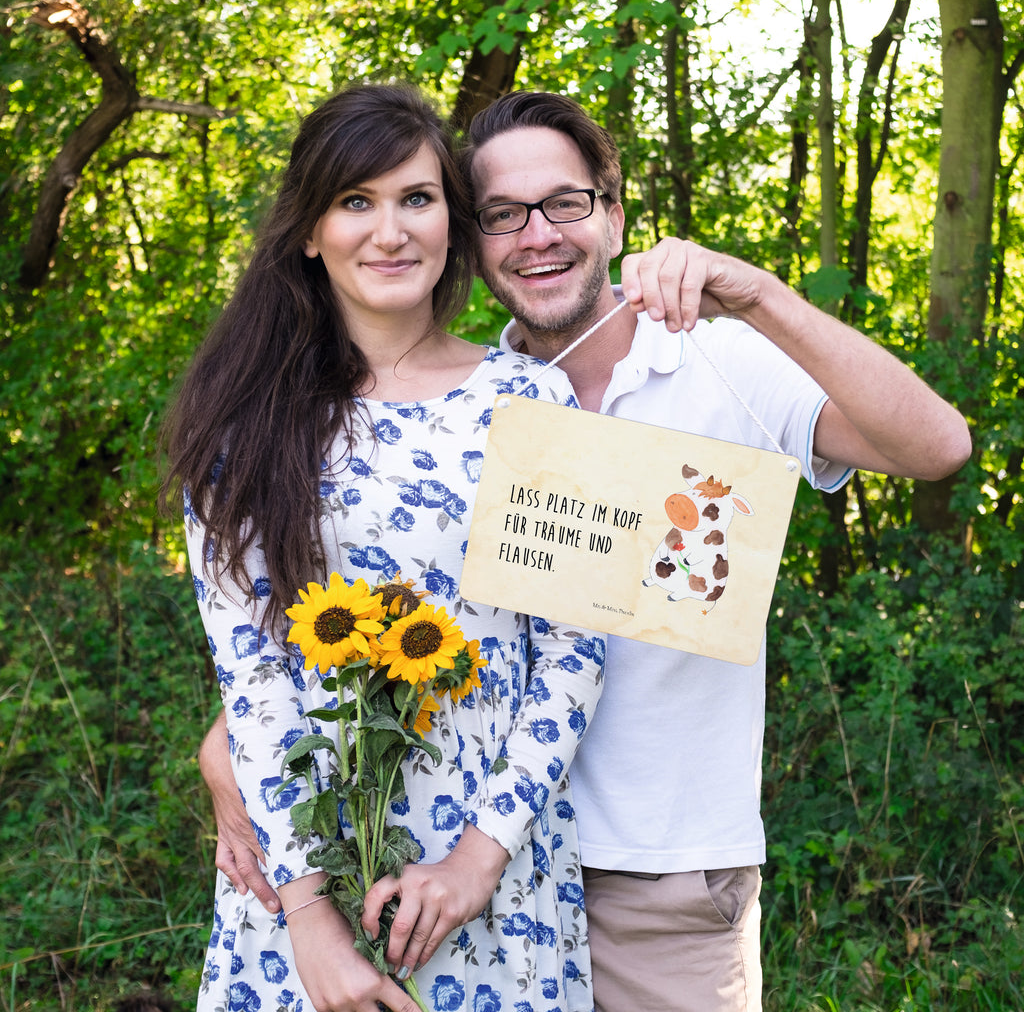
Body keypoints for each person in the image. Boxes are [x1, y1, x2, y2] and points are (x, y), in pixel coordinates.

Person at [202, 90, 972, 1012]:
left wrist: (760, 294)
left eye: (565, 203)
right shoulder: (456, 403)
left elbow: (937, 449)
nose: (537, 235)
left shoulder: (710, 361)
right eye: (502, 214)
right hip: (419, 863)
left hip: (650, 875)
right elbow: (323, 625)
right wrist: (235, 760)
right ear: (474, 238)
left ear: (612, 213)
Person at [163, 84, 608, 1012]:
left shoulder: (533, 403)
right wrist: (311, 925)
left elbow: (573, 651)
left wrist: (478, 862)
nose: (391, 231)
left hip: (492, 875)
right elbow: (253, 679)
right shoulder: (244, 426)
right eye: (355, 202)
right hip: (302, 873)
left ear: (452, 218)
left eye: (417, 198)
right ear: (309, 231)